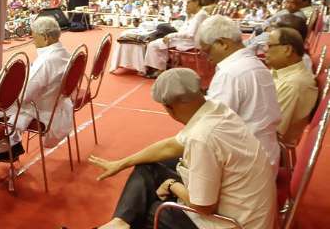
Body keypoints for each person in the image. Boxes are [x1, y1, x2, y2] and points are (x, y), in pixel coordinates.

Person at [89, 68, 276, 229]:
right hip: (247, 207)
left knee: (153, 210)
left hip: (233, 223)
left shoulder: (202, 137)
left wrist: (172, 184)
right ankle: (119, 222)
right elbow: (170, 146)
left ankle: (124, 222)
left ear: (169, 108)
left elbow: (204, 207)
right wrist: (122, 163)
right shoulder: (217, 108)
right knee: (148, 163)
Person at [196, 15, 281, 167]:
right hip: (263, 154)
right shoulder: (255, 64)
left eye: (207, 51)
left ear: (222, 43)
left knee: (157, 169)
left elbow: (210, 128)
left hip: (245, 164)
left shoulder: (230, 73)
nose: (208, 58)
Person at [0, 16, 72, 161]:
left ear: (45, 37)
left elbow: (24, 96)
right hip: (56, 103)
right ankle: (12, 142)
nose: (32, 40)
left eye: (34, 36)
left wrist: (1, 89)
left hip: (41, 109)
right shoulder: (64, 53)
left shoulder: (47, 61)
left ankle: (5, 146)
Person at [265, 28, 318, 145]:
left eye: (269, 46)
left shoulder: (294, 85)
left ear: (287, 50)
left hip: (264, 147)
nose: (265, 50)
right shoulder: (280, 71)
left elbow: (270, 132)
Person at [143, 0, 208, 78]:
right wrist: (188, 16)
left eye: (188, 3)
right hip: (185, 41)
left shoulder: (201, 15)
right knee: (157, 42)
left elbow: (190, 34)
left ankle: (159, 70)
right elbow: (185, 29)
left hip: (189, 44)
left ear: (196, 3)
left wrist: (171, 35)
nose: (186, 5)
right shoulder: (197, 15)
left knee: (154, 45)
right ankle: (160, 68)